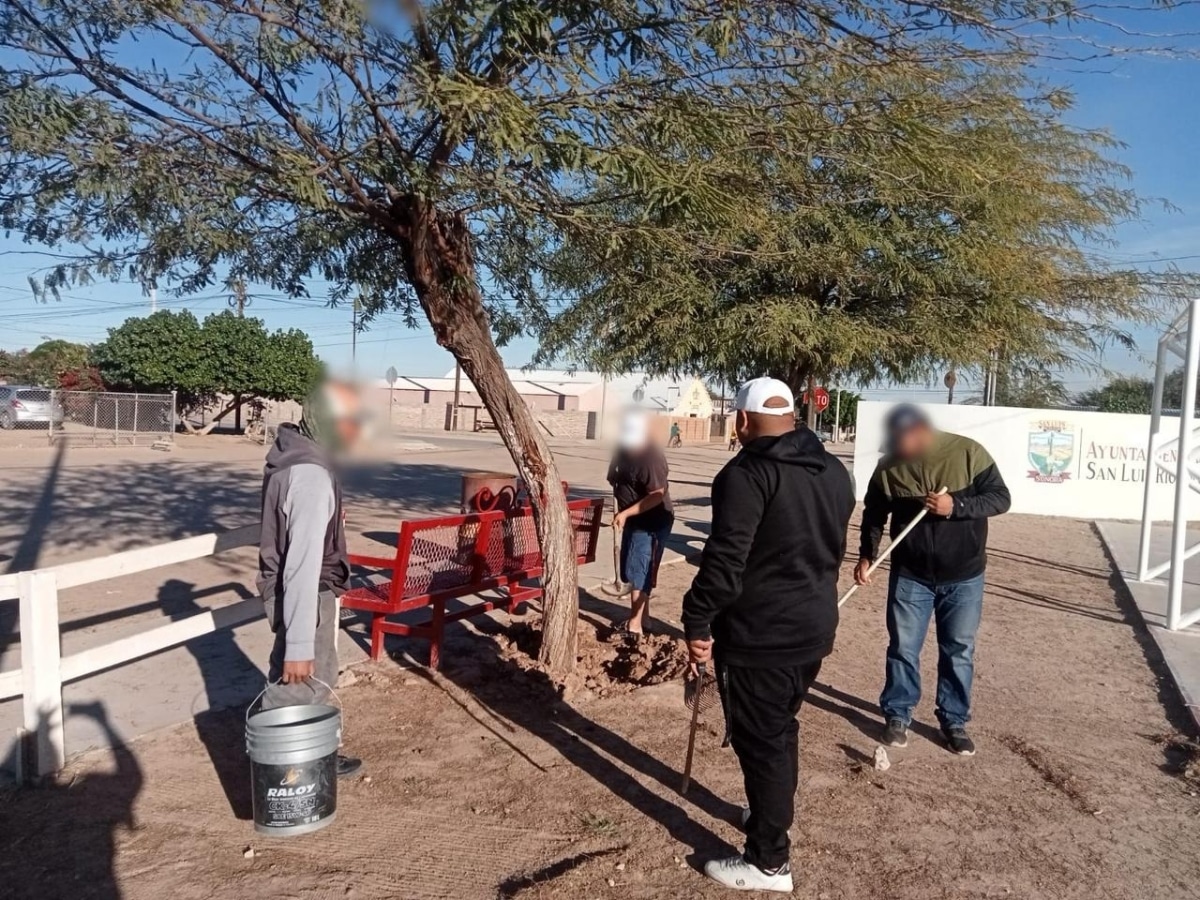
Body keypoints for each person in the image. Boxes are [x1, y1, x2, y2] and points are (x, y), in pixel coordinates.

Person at [682, 378, 854, 893]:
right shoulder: (832, 469)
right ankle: (767, 819)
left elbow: (725, 562)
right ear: (794, 417)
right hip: (813, 626)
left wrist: (697, 619)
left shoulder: (746, 474)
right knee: (779, 732)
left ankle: (768, 862)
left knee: (764, 743)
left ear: (740, 421)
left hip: (763, 636)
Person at [856, 404, 1011, 757]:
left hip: (965, 575)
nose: (898, 451)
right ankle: (897, 715)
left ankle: (954, 721)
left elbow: (1001, 499)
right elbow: (874, 515)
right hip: (911, 575)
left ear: (921, 432)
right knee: (902, 648)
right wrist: (868, 554)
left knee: (958, 650)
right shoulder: (888, 468)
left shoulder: (968, 453)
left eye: (902, 442)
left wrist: (954, 506)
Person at [256, 380, 366, 777]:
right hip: (305, 594)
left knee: (312, 680)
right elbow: (301, 562)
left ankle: (313, 756)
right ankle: (280, 777)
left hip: (297, 592)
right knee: (298, 682)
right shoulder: (311, 479)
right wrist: (299, 643)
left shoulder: (295, 461)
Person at [607, 410, 674, 635]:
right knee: (634, 568)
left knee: (639, 571)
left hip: (651, 522)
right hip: (634, 519)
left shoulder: (650, 458)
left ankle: (634, 627)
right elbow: (615, 473)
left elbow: (656, 494)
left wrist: (625, 514)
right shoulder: (624, 450)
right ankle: (644, 620)